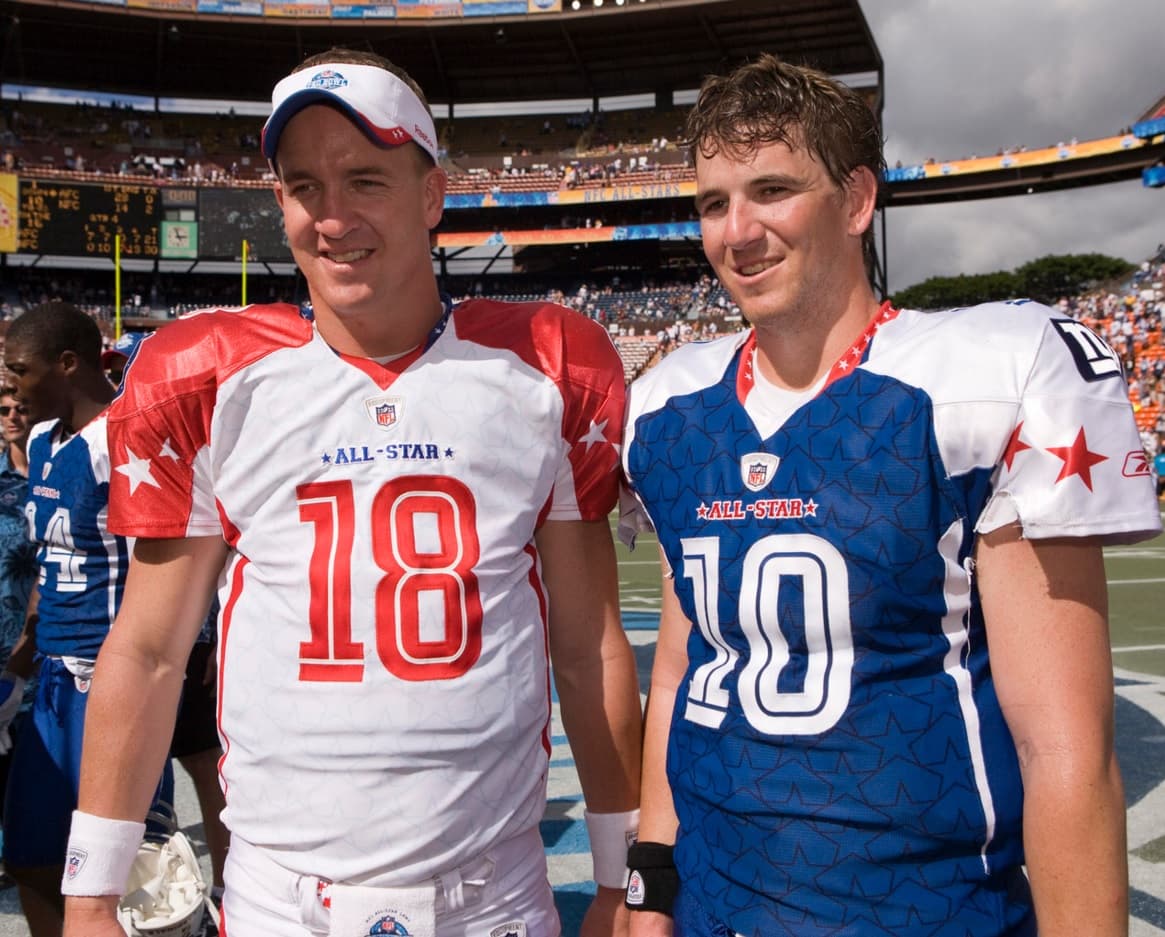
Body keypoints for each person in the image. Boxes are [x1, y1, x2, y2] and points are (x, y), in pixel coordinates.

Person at [62, 48, 642, 937]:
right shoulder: (211, 376)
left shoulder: (545, 365)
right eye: (303, 187)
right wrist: (91, 890)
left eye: (364, 179)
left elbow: (588, 645)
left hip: (491, 902)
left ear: (430, 194)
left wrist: (617, 876)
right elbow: (147, 652)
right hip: (282, 904)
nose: (331, 218)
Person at [619, 54, 1161, 937]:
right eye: (714, 202)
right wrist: (650, 887)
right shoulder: (671, 405)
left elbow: (1062, 748)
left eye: (771, 190)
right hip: (716, 908)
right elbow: (684, 668)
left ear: (857, 199)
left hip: (925, 913)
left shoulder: (980, 375)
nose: (737, 230)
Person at [0, 302, 175, 937]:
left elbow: (161, 582)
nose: (13, 387)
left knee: (140, 884)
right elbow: (50, 566)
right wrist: (21, 661)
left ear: (67, 364)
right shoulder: (43, 442)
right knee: (30, 857)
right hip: (49, 680)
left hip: (109, 687)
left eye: (22, 370)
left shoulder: (126, 438)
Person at [102, 333, 232, 899]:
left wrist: (218, 638)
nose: (121, 383)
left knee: (205, 765)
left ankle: (228, 882)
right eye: (116, 372)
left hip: (193, 634)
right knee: (136, 772)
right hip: (128, 627)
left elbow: (226, 555)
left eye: (126, 369)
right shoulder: (96, 437)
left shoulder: (188, 434)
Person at [0, 385, 37, 885]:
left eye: (19, 407)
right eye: (3, 409)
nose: (11, 416)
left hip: (49, 640)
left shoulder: (59, 469)